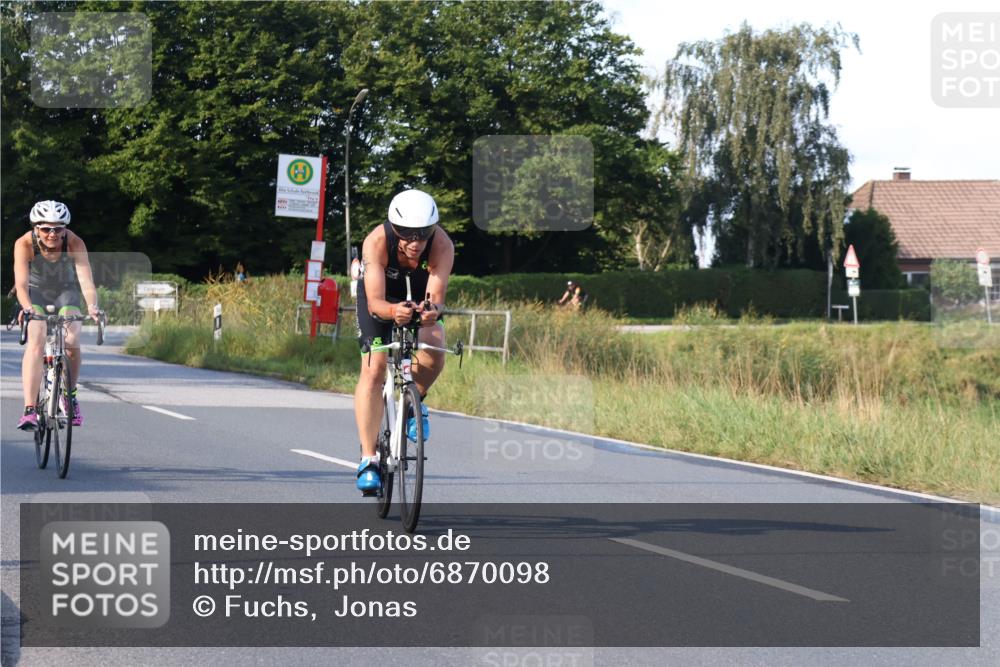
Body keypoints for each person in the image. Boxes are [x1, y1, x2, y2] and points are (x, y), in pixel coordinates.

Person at [353, 189, 454, 494]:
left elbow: (435, 301)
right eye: (408, 235)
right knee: (374, 367)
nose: (416, 242)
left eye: (423, 234)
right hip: (381, 295)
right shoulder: (376, 242)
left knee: (434, 346)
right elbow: (374, 303)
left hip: (418, 291)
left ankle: (414, 401)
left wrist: (430, 313)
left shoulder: (442, 245)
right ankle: (368, 459)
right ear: (395, 229)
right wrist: (393, 311)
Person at [12, 200, 100, 429]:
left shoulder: (74, 242)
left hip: (65, 292)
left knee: (72, 339)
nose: (52, 234)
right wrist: (27, 308)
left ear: (65, 228)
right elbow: (21, 285)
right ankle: (30, 409)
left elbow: (86, 280)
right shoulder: (24, 243)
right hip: (36, 294)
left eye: (58, 229)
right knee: (37, 339)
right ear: (36, 228)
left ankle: (69, 395)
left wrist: (92, 306)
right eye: (46, 228)